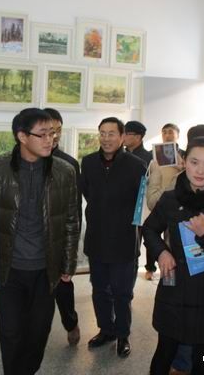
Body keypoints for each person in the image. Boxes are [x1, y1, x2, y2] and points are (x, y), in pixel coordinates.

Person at [0, 108, 79, 375]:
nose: (50, 139)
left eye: (52, 133)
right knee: (11, 333)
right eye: (42, 134)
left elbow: (72, 220)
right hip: (9, 269)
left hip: (45, 270)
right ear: (22, 136)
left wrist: (68, 263)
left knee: (38, 333)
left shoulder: (65, 171)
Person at [142, 137, 204, 375]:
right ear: (184, 162)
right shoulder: (170, 199)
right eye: (194, 162)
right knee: (164, 354)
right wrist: (161, 252)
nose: (200, 171)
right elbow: (149, 229)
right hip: (176, 289)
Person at [81, 117, 146, 357]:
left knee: (122, 293)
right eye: (102, 133)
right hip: (97, 238)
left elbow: (141, 204)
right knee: (99, 290)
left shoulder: (136, 165)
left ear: (121, 137)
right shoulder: (88, 162)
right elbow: (87, 193)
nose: (106, 138)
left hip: (124, 240)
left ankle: (122, 334)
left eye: (111, 134)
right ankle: (106, 330)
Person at [44, 107, 82, 346]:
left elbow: (75, 209)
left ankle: (71, 323)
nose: (54, 136)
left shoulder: (69, 164)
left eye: (58, 130)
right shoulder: (27, 158)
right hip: (33, 240)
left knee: (63, 288)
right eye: (49, 130)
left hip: (59, 239)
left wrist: (72, 246)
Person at [145, 123, 185, 281]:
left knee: (172, 240)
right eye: (164, 132)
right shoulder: (153, 154)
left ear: (177, 135)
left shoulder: (185, 155)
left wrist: (182, 167)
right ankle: (150, 267)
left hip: (176, 203)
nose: (167, 135)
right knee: (152, 234)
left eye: (170, 132)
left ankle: (170, 275)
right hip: (157, 200)